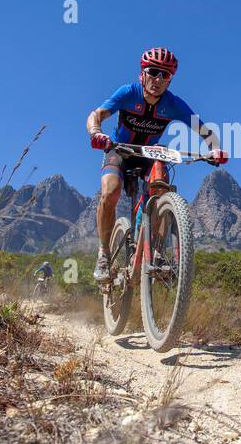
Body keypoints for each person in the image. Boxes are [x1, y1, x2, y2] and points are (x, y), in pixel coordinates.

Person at [86, 46, 227, 282]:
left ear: (170, 80)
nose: (158, 79)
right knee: (110, 192)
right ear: (143, 73)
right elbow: (97, 114)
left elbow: (203, 129)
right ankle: (103, 253)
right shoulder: (129, 93)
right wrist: (96, 132)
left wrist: (214, 148)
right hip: (120, 151)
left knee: (161, 183)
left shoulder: (173, 104)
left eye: (165, 75)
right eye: (153, 72)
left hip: (149, 155)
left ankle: (157, 252)